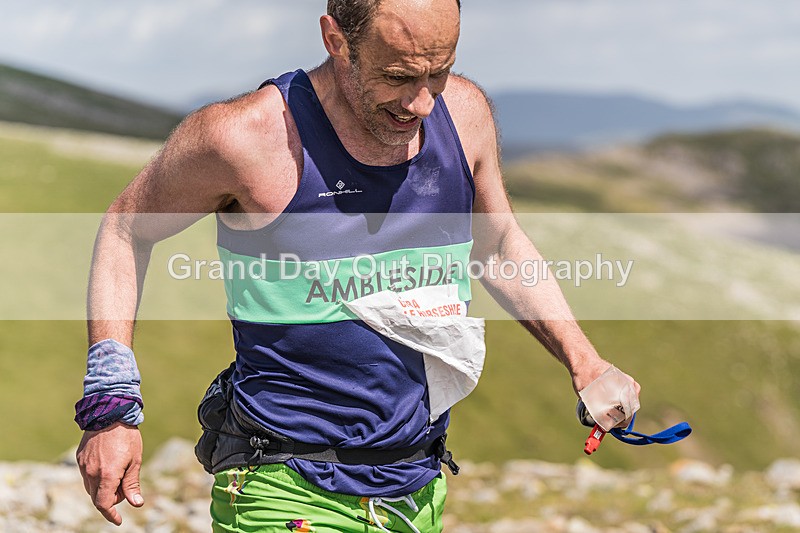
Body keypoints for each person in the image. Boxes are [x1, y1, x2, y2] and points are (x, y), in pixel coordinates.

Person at [75, 0, 641, 531]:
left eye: (439, 71)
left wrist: (583, 360)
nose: (422, 103)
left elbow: (495, 245)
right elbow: (126, 230)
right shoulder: (244, 139)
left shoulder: (463, 115)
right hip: (283, 482)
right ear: (335, 39)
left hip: (416, 485)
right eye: (397, 77)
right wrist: (110, 403)